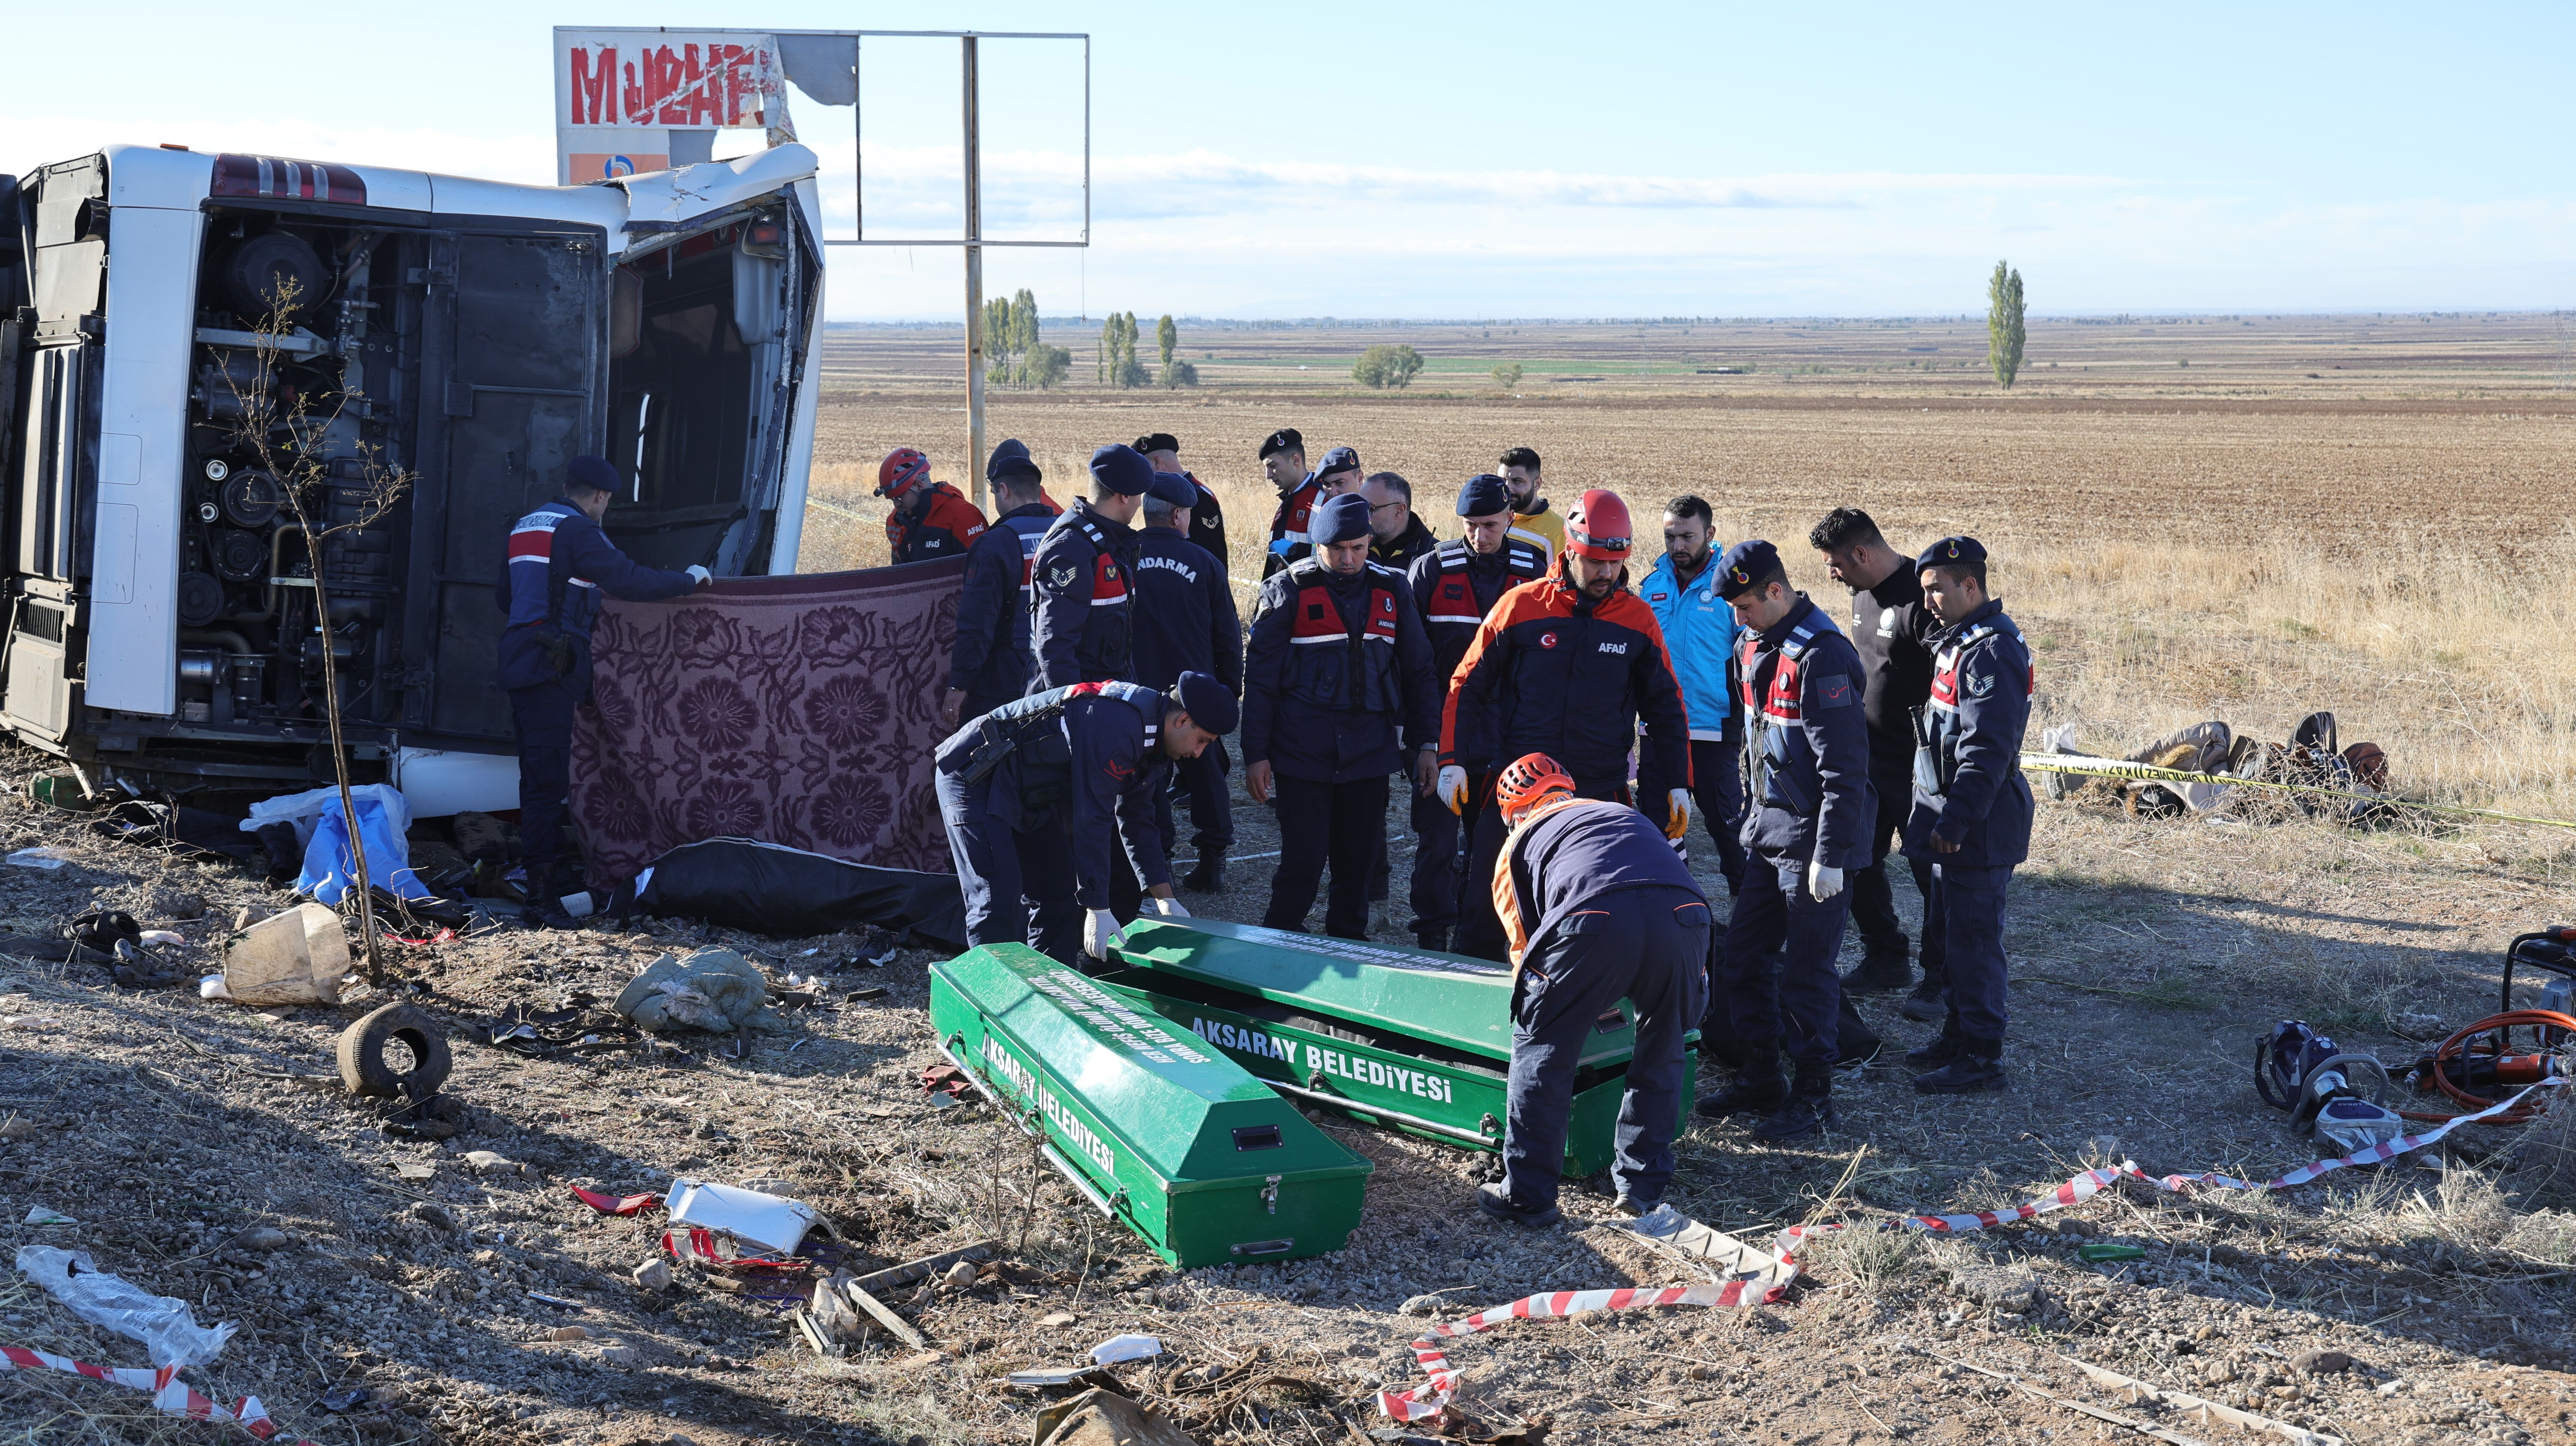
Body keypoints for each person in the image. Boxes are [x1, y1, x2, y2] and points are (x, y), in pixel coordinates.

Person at [1439, 489, 1693, 962]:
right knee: (1486, 909)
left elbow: (1666, 706)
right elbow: (1466, 684)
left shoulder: (1637, 620)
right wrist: (1451, 761)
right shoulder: (1521, 606)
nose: (1607, 573)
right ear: (1570, 550)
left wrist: (1680, 781)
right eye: (1596, 562)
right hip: (1518, 791)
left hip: (1601, 790)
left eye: (1616, 563)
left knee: (1598, 911)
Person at [1478, 753, 1710, 1227]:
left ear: (1515, 812)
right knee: (1663, 1047)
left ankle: (1528, 1194)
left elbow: (1525, 954)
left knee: (1540, 1046)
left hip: (1595, 917)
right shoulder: (1622, 812)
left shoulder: (1518, 841)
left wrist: (1571, 1006)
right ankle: (1641, 1188)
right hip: (1688, 916)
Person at [1692, 541, 1874, 1142]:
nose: (1738, 621)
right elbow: (1754, 744)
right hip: (1766, 835)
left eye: (1746, 606)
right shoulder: (1753, 646)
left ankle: (1815, 1095)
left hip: (1811, 844)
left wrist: (1831, 854)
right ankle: (1762, 1074)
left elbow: (1845, 771)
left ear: (1777, 591)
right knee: (1742, 961)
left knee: (1806, 971)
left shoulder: (1823, 656)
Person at [498, 455, 709, 921]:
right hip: (549, 667)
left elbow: (503, 596)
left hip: (520, 657)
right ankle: (540, 897)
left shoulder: (526, 525)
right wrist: (688, 582)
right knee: (545, 781)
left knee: (538, 775)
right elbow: (627, 579)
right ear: (600, 496)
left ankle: (545, 882)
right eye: (606, 503)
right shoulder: (577, 531)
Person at [934, 671, 1233, 968]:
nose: (1198, 753)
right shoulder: (1118, 727)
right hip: (975, 776)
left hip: (1027, 792)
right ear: (1182, 721)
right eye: (1202, 741)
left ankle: (1052, 990)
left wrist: (1165, 898)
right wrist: (1098, 907)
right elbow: (1093, 816)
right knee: (996, 897)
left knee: (1058, 892)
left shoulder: (1153, 737)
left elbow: (1137, 817)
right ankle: (993, 1000)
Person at [1242, 493, 1440, 939]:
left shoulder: (1393, 590)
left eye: (1358, 548)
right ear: (1318, 544)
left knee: (1358, 866)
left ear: (1370, 541)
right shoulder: (1287, 590)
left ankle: (1348, 946)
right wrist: (1255, 754)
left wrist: (1428, 744)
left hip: (1370, 753)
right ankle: (1277, 946)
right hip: (1302, 753)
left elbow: (1420, 672)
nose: (1349, 559)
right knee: (1303, 863)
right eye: (1337, 550)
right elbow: (1259, 684)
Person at [1899, 536, 2035, 1094]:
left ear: (1970, 586)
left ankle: (1982, 1058)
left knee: (1975, 946)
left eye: (1936, 589)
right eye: (1924, 589)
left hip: (1975, 828)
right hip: (1949, 821)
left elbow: (1987, 751)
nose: (1927, 601)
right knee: (1951, 937)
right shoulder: (1961, 641)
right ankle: (1957, 1036)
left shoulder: (1991, 652)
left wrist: (1953, 825)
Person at [1810, 507, 1946, 1016]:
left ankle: (1941, 975)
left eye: (1836, 563)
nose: (1832, 574)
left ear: (1862, 553)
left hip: (1919, 769)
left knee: (1931, 874)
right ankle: (1886, 954)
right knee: (1854, 859)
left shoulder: (1921, 599)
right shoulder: (1862, 594)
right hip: (1868, 759)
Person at [1403, 474, 1546, 950]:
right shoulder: (1431, 571)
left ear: (1510, 517)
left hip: (1511, 736)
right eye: (1470, 525)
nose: (1480, 536)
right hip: (1446, 732)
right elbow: (1413, 663)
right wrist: (1426, 740)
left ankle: (1486, 936)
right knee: (1437, 842)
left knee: (1499, 845)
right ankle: (1431, 935)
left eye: (1489, 524)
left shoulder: (1535, 567)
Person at [1130, 469, 1242, 892]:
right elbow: (1228, 636)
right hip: (1197, 694)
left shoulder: (1123, 557)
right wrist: (1229, 692)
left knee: (1145, 781)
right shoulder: (1205, 563)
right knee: (1206, 775)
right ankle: (1212, 860)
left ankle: (1159, 868)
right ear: (1179, 515)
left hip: (1139, 695)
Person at [1637, 495, 1747, 896]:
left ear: (1710, 534)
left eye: (1687, 536)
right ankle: (1671, 912)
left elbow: (1751, 657)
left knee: (1728, 830)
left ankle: (1753, 927)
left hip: (1712, 731)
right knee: (1657, 830)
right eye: (1670, 537)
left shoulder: (1730, 586)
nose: (1678, 546)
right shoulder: (1652, 585)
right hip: (1658, 732)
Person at [943, 440, 1058, 729]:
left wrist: (959, 685)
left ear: (1003, 490)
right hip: (1058, 673)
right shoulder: (1067, 532)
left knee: (983, 763)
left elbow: (977, 623)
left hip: (1005, 679)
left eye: (995, 492)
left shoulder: (995, 544)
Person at [1030, 445, 1151, 689]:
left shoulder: (1110, 540)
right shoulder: (1072, 549)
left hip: (1107, 692)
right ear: (1125, 497)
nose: (1140, 504)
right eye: (1139, 495)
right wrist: (1074, 712)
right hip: (1082, 703)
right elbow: (1056, 645)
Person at [876, 447, 988, 563]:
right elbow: (900, 574)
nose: (896, 504)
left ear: (919, 486)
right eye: (893, 499)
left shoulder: (963, 516)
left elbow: (984, 570)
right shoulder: (896, 521)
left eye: (899, 497)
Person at [1134, 431, 1228, 569]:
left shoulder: (1199, 496)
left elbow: (1213, 555)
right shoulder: (1163, 493)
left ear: (1157, 462)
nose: (1142, 475)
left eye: (1144, 467)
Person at [1267, 447, 1367, 573]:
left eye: (1340, 483)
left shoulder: (1371, 511)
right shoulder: (1327, 511)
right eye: (1327, 485)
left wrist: (1295, 549)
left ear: (1360, 478)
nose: (1333, 492)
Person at [1259, 428, 1316, 578]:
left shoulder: (1323, 499)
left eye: (1273, 466)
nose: (1268, 475)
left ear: (1296, 460)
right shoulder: (1287, 499)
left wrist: (1294, 550)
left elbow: (1339, 552)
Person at [1498, 447, 1566, 570]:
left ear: (1537, 484)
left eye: (1517, 481)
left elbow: (1559, 585)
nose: (1508, 489)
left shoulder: (1558, 532)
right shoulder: (1493, 518)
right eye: (1503, 480)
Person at [1361, 471, 1438, 573]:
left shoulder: (1433, 557)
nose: (1363, 516)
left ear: (1399, 511)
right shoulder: (1352, 548)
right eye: (1361, 508)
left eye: (1371, 509)